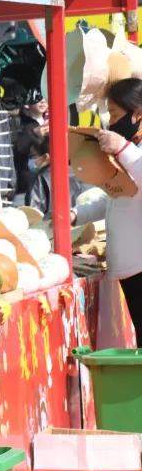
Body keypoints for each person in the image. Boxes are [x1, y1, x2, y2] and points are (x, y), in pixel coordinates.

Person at [92, 78, 142, 346]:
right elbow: (115, 194)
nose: (111, 122)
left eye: (115, 114)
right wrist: (77, 214)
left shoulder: (131, 152)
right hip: (132, 269)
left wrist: (122, 149)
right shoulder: (130, 151)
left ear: (137, 114)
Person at [24, 133, 107, 224]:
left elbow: (32, 216)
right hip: (92, 229)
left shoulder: (41, 178)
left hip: (56, 229)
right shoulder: (94, 170)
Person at [12, 98, 48, 201]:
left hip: (47, 178)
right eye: (38, 98)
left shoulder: (52, 120)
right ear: (27, 104)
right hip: (27, 181)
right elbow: (20, 148)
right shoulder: (20, 123)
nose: (43, 101)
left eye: (45, 97)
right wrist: (34, 133)